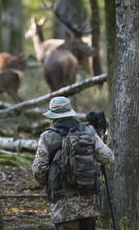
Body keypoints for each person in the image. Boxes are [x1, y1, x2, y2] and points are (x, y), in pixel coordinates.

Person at [32, 96, 114, 230]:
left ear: (53, 117)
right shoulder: (88, 131)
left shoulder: (47, 137)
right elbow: (108, 157)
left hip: (62, 204)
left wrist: (48, 184)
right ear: (70, 113)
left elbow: (38, 169)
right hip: (89, 202)